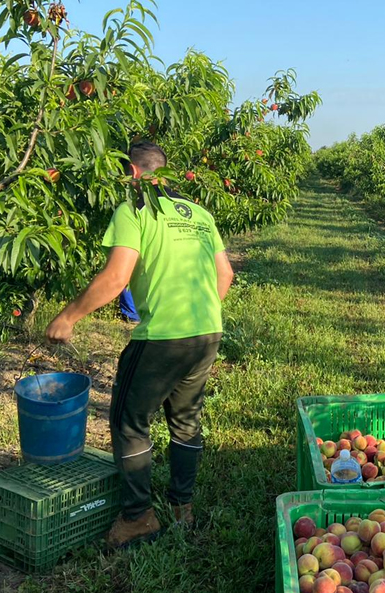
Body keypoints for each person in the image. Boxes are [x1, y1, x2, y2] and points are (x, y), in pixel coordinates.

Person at [45, 141, 234, 549]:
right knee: (185, 420)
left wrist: (68, 317)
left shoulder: (134, 209)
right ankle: (182, 507)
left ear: (132, 173)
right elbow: (226, 276)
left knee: (129, 421)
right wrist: (196, 316)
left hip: (163, 338)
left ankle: (137, 518)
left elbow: (116, 280)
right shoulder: (199, 214)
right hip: (207, 333)